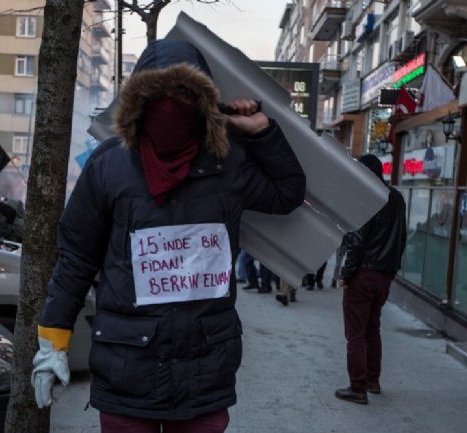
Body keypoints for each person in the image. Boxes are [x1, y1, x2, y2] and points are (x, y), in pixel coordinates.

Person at [31, 39, 306, 432]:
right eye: (157, 93)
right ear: (137, 101)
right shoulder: (109, 166)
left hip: (204, 371)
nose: (170, 106)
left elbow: (287, 193)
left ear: (203, 102)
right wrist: (52, 343)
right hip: (126, 371)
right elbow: (76, 258)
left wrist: (262, 131)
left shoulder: (228, 164)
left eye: (184, 93)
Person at [335, 154, 406, 405]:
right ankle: (373, 381)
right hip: (384, 275)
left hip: (363, 274)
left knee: (355, 332)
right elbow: (402, 238)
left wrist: (346, 274)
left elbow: (357, 240)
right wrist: (392, 270)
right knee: (372, 328)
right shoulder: (396, 198)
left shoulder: (365, 196)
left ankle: (357, 387)